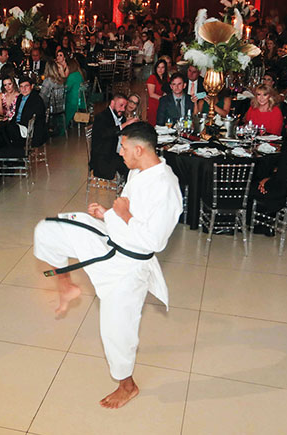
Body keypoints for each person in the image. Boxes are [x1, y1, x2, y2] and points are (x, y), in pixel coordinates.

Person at [33, 121, 182, 409]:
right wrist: (107, 214)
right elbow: (127, 209)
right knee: (49, 228)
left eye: (124, 148)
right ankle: (66, 286)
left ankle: (127, 385)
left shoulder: (166, 187)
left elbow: (155, 240)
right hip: (111, 239)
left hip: (129, 266)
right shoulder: (139, 171)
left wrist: (123, 215)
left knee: (116, 330)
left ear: (139, 149)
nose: (120, 152)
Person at [0, 76, 47, 153]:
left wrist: (14, 124)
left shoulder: (36, 99)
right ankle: (8, 154)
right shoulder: (20, 97)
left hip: (30, 129)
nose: (24, 89)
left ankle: (16, 153)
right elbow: (16, 115)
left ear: (32, 86)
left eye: (26, 86)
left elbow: (32, 119)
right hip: (20, 125)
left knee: (8, 130)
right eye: (21, 87)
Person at [91, 94, 137, 179]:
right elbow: (106, 133)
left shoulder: (120, 117)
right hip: (103, 160)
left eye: (124, 106)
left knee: (135, 160)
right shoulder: (101, 117)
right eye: (121, 105)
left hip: (114, 154)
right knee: (131, 166)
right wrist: (125, 124)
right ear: (112, 103)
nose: (123, 109)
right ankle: (128, 188)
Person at [146, 59, 169, 126]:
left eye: (162, 67)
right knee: (154, 124)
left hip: (164, 104)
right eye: (158, 67)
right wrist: (163, 98)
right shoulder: (152, 78)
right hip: (154, 104)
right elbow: (151, 94)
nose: (160, 69)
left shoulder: (167, 78)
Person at [64, 57, 85, 131]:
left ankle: (62, 128)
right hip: (80, 101)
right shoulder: (79, 74)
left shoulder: (71, 77)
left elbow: (66, 89)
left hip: (73, 102)